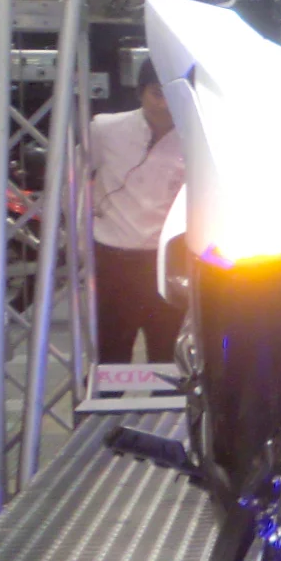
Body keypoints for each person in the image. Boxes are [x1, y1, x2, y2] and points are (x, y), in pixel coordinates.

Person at [89, 61, 187, 364]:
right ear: (140, 92)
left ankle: (168, 411)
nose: (166, 105)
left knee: (167, 353)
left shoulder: (194, 137)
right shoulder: (105, 129)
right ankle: (106, 409)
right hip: (112, 258)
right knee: (110, 352)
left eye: (174, 95)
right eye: (157, 94)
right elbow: (76, 176)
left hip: (168, 260)